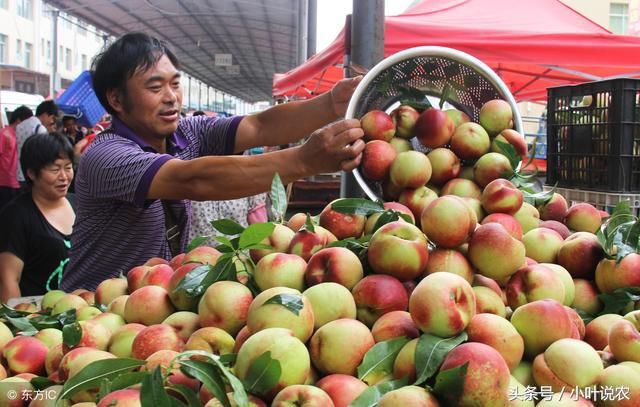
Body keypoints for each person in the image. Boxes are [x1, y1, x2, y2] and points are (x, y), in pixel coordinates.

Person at [61, 32, 364, 291]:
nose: (172, 97)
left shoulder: (188, 134)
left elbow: (259, 126)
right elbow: (193, 180)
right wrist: (304, 160)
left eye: (175, 84)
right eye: (156, 88)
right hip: (92, 311)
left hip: (146, 309)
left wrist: (330, 104)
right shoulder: (105, 156)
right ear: (116, 100)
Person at [0, 132, 75, 303]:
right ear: (32, 173)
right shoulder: (16, 216)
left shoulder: (80, 204)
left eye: (68, 167)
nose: (64, 177)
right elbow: (8, 280)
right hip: (38, 317)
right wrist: (20, 322)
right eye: (55, 169)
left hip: (80, 311)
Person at [15, 100, 59, 188]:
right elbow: (44, 153)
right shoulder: (40, 129)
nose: (51, 121)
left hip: (20, 172)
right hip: (34, 174)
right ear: (45, 114)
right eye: (52, 118)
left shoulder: (20, 125)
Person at [0, 106, 33, 209]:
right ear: (19, 120)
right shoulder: (3, 134)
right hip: (5, 184)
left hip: (19, 182)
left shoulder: (20, 134)